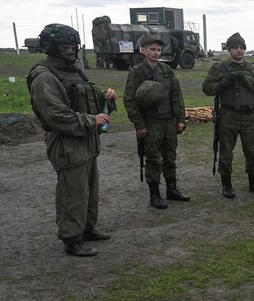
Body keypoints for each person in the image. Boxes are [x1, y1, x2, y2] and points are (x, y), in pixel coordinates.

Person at [26, 24, 117, 256]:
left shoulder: (73, 71)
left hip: (86, 141)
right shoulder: (44, 77)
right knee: (73, 191)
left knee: (89, 189)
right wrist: (91, 120)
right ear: (51, 47)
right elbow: (55, 115)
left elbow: (85, 99)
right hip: (67, 143)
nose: (71, 50)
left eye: (74, 46)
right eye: (66, 46)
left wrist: (106, 98)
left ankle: (86, 228)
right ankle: (71, 237)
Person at [124, 34, 188, 209]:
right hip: (151, 122)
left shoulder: (166, 70)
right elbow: (130, 100)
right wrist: (139, 124)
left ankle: (172, 189)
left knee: (170, 156)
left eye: (159, 50)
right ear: (143, 50)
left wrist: (180, 119)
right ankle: (155, 194)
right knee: (153, 158)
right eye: (152, 49)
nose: (156, 53)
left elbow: (177, 95)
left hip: (169, 121)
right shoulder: (137, 72)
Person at [203, 32, 254, 198]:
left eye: (241, 47)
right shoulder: (220, 68)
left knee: (252, 152)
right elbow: (207, 88)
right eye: (235, 47)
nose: (239, 50)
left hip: (249, 117)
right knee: (226, 152)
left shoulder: (252, 68)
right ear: (229, 49)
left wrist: (246, 78)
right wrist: (223, 83)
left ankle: (253, 183)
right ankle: (227, 185)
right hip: (228, 116)